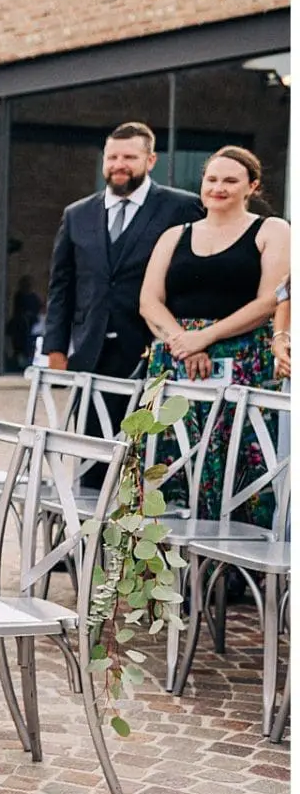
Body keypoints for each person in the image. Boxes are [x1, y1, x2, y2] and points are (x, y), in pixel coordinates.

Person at [139, 146, 290, 523]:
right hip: (176, 362)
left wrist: (205, 338)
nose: (218, 187)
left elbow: (271, 299)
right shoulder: (175, 235)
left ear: (252, 186)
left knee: (238, 466)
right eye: (211, 179)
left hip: (242, 362)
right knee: (168, 466)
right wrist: (184, 344)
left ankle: (235, 576)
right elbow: (149, 301)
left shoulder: (271, 230)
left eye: (230, 180)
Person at [45, 121, 203, 377]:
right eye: (112, 157)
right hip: (90, 353)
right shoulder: (77, 214)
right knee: (90, 419)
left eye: (129, 157)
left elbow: (194, 279)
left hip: (156, 350)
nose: (119, 164)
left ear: (151, 160)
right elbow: (61, 287)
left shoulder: (182, 208)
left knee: (150, 419)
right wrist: (56, 349)